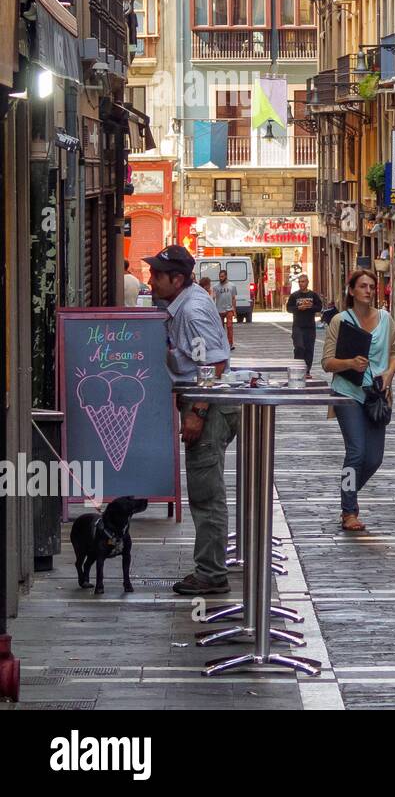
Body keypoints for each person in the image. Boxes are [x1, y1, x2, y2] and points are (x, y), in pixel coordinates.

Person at [144, 245, 238, 596]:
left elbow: (211, 365)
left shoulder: (193, 310)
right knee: (206, 488)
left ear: (177, 278)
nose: (150, 280)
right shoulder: (186, 302)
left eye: (157, 275)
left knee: (205, 491)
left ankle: (211, 573)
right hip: (206, 403)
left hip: (209, 406)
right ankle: (212, 567)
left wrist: (197, 412)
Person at [320, 268, 395, 532]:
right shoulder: (340, 322)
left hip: (377, 395)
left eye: (371, 286)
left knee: (374, 458)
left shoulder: (387, 319)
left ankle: (348, 492)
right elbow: (327, 363)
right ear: (352, 291)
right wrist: (349, 363)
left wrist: (388, 374)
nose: (368, 290)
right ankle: (348, 511)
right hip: (348, 393)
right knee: (356, 452)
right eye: (363, 286)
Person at [286, 274, 324, 374]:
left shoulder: (313, 295)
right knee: (299, 347)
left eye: (303, 282)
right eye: (299, 282)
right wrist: (298, 308)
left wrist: (310, 307)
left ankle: (307, 371)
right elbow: (289, 308)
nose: (301, 284)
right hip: (298, 325)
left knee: (309, 349)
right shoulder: (294, 295)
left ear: (307, 282)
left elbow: (319, 307)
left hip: (310, 326)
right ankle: (298, 368)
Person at [212, 269, 237, 350]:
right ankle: (222, 343)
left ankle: (230, 343)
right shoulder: (215, 287)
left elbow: (233, 298)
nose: (220, 278)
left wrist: (234, 310)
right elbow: (213, 298)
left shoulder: (232, 286)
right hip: (219, 309)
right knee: (220, 328)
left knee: (229, 326)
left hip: (229, 309)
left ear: (226, 276)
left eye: (222, 276)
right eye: (220, 276)